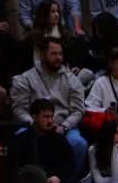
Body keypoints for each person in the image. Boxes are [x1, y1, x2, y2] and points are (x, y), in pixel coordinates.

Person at [8, 36, 89, 167]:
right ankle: (28, 178)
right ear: (42, 55)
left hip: (63, 127)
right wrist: (33, 124)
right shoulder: (24, 79)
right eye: (54, 54)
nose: (59, 58)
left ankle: (67, 178)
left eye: (60, 54)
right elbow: (18, 109)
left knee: (79, 143)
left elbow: (78, 111)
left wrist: (64, 127)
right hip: (32, 126)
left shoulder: (72, 80)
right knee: (19, 140)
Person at [9, 98, 80, 183]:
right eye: (45, 117)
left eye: (51, 117)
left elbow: (70, 167)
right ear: (34, 117)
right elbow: (14, 167)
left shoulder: (59, 140)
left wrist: (58, 178)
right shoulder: (21, 140)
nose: (50, 121)